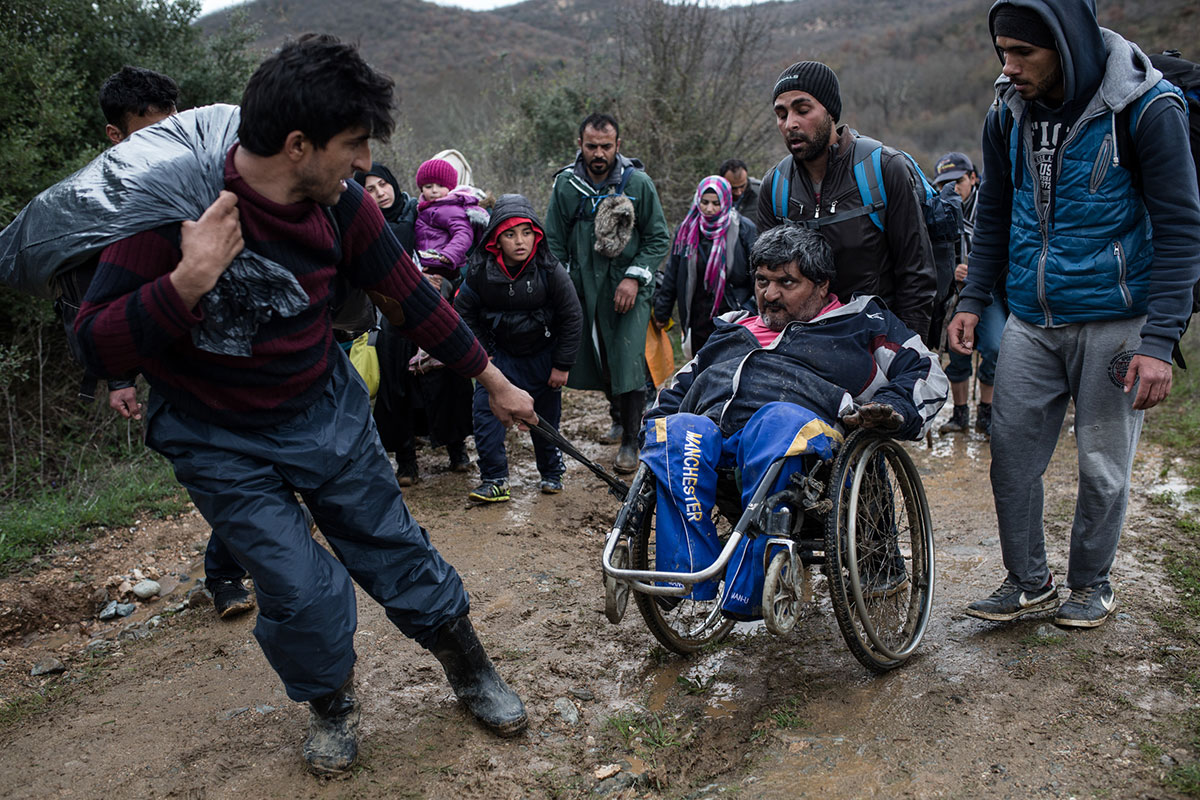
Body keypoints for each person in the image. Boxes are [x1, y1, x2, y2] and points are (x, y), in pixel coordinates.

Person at [74, 34, 535, 775]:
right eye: (353, 145)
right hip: (215, 436)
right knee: (295, 586)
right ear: (297, 144)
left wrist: (492, 379)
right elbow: (94, 346)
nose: (363, 163)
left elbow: (409, 296)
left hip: (321, 410)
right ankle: (332, 702)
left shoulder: (343, 207)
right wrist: (184, 283)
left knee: (391, 545)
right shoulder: (171, 208)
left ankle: (469, 668)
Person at [949, 1, 1200, 629]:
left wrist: (1161, 339)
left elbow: (1179, 229)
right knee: (1009, 454)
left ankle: (1092, 584)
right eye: (1000, 51)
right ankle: (1028, 580)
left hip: (1119, 317)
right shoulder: (1006, 114)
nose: (1007, 68)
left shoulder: (1146, 107)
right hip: (1035, 317)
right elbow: (996, 216)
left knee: (1101, 464)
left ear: (1067, 45)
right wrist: (973, 299)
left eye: (1023, 53)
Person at [642, 224, 947, 614]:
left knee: (778, 420)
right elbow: (677, 388)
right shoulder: (732, 327)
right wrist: (656, 428)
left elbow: (926, 370)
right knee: (678, 430)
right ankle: (684, 577)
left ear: (822, 285)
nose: (769, 295)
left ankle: (747, 590)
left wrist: (890, 407)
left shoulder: (861, 321)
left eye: (787, 282)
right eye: (762, 281)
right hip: (717, 447)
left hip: (807, 454)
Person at [95, 66, 255, 618]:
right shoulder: (105, 202)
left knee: (258, 483)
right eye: (150, 131)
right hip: (177, 376)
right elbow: (100, 307)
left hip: (242, 358)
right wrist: (118, 377)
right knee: (233, 485)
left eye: (174, 125)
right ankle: (226, 576)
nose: (169, 142)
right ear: (116, 135)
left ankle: (240, 570)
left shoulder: (207, 168)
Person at [757, 61, 937, 340]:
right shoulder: (775, 186)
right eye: (781, 114)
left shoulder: (885, 169)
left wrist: (908, 353)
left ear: (830, 111)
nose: (790, 123)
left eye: (803, 110)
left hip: (876, 341)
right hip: (802, 346)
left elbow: (916, 273)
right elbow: (767, 278)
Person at [543, 112, 671, 474]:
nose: (598, 153)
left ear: (619, 144)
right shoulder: (567, 185)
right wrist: (563, 284)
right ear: (579, 145)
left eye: (605, 146)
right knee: (598, 355)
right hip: (582, 285)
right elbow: (553, 240)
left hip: (628, 286)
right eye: (591, 146)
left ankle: (632, 439)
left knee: (628, 356)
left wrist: (633, 278)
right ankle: (617, 416)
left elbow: (658, 237)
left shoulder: (637, 183)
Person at [455, 194, 583, 502]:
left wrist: (562, 364)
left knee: (544, 419)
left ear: (536, 234)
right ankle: (494, 479)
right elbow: (463, 313)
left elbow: (572, 315)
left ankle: (552, 472)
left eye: (526, 232)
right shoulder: (479, 270)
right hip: (499, 358)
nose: (519, 241)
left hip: (543, 356)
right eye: (510, 234)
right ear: (496, 239)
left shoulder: (549, 269)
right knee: (486, 415)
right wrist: (484, 357)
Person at [354, 162, 428, 485]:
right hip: (386, 314)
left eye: (383, 184)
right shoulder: (361, 226)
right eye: (369, 190)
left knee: (439, 377)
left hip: (425, 304)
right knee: (393, 384)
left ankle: (455, 449)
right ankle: (406, 458)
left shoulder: (417, 212)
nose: (379, 193)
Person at [410, 156, 480, 474]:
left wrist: (445, 259)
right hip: (421, 272)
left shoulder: (450, 208)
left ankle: (430, 352)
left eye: (439, 185)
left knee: (439, 323)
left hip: (444, 273)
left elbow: (461, 238)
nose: (434, 190)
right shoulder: (419, 209)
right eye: (428, 186)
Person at [932, 151, 1004, 437]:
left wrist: (977, 269)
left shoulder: (992, 207)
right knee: (957, 352)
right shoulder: (938, 210)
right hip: (953, 295)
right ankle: (959, 414)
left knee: (996, 347)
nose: (951, 188)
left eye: (958, 180)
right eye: (944, 183)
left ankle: (985, 413)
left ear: (973, 178)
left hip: (990, 292)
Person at [653, 175, 758, 357]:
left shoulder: (743, 229)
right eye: (705, 202)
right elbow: (673, 273)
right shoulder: (686, 231)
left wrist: (755, 308)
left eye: (716, 203)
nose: (709, 209)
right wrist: (663, 311)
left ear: (726, 201)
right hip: (698, 316)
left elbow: (757, 273)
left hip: (734, 315)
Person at [718, 158, 761, 225]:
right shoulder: (713, 195)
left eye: (742, 186)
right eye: (733, 188)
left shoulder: (761, 193)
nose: (738, 192)